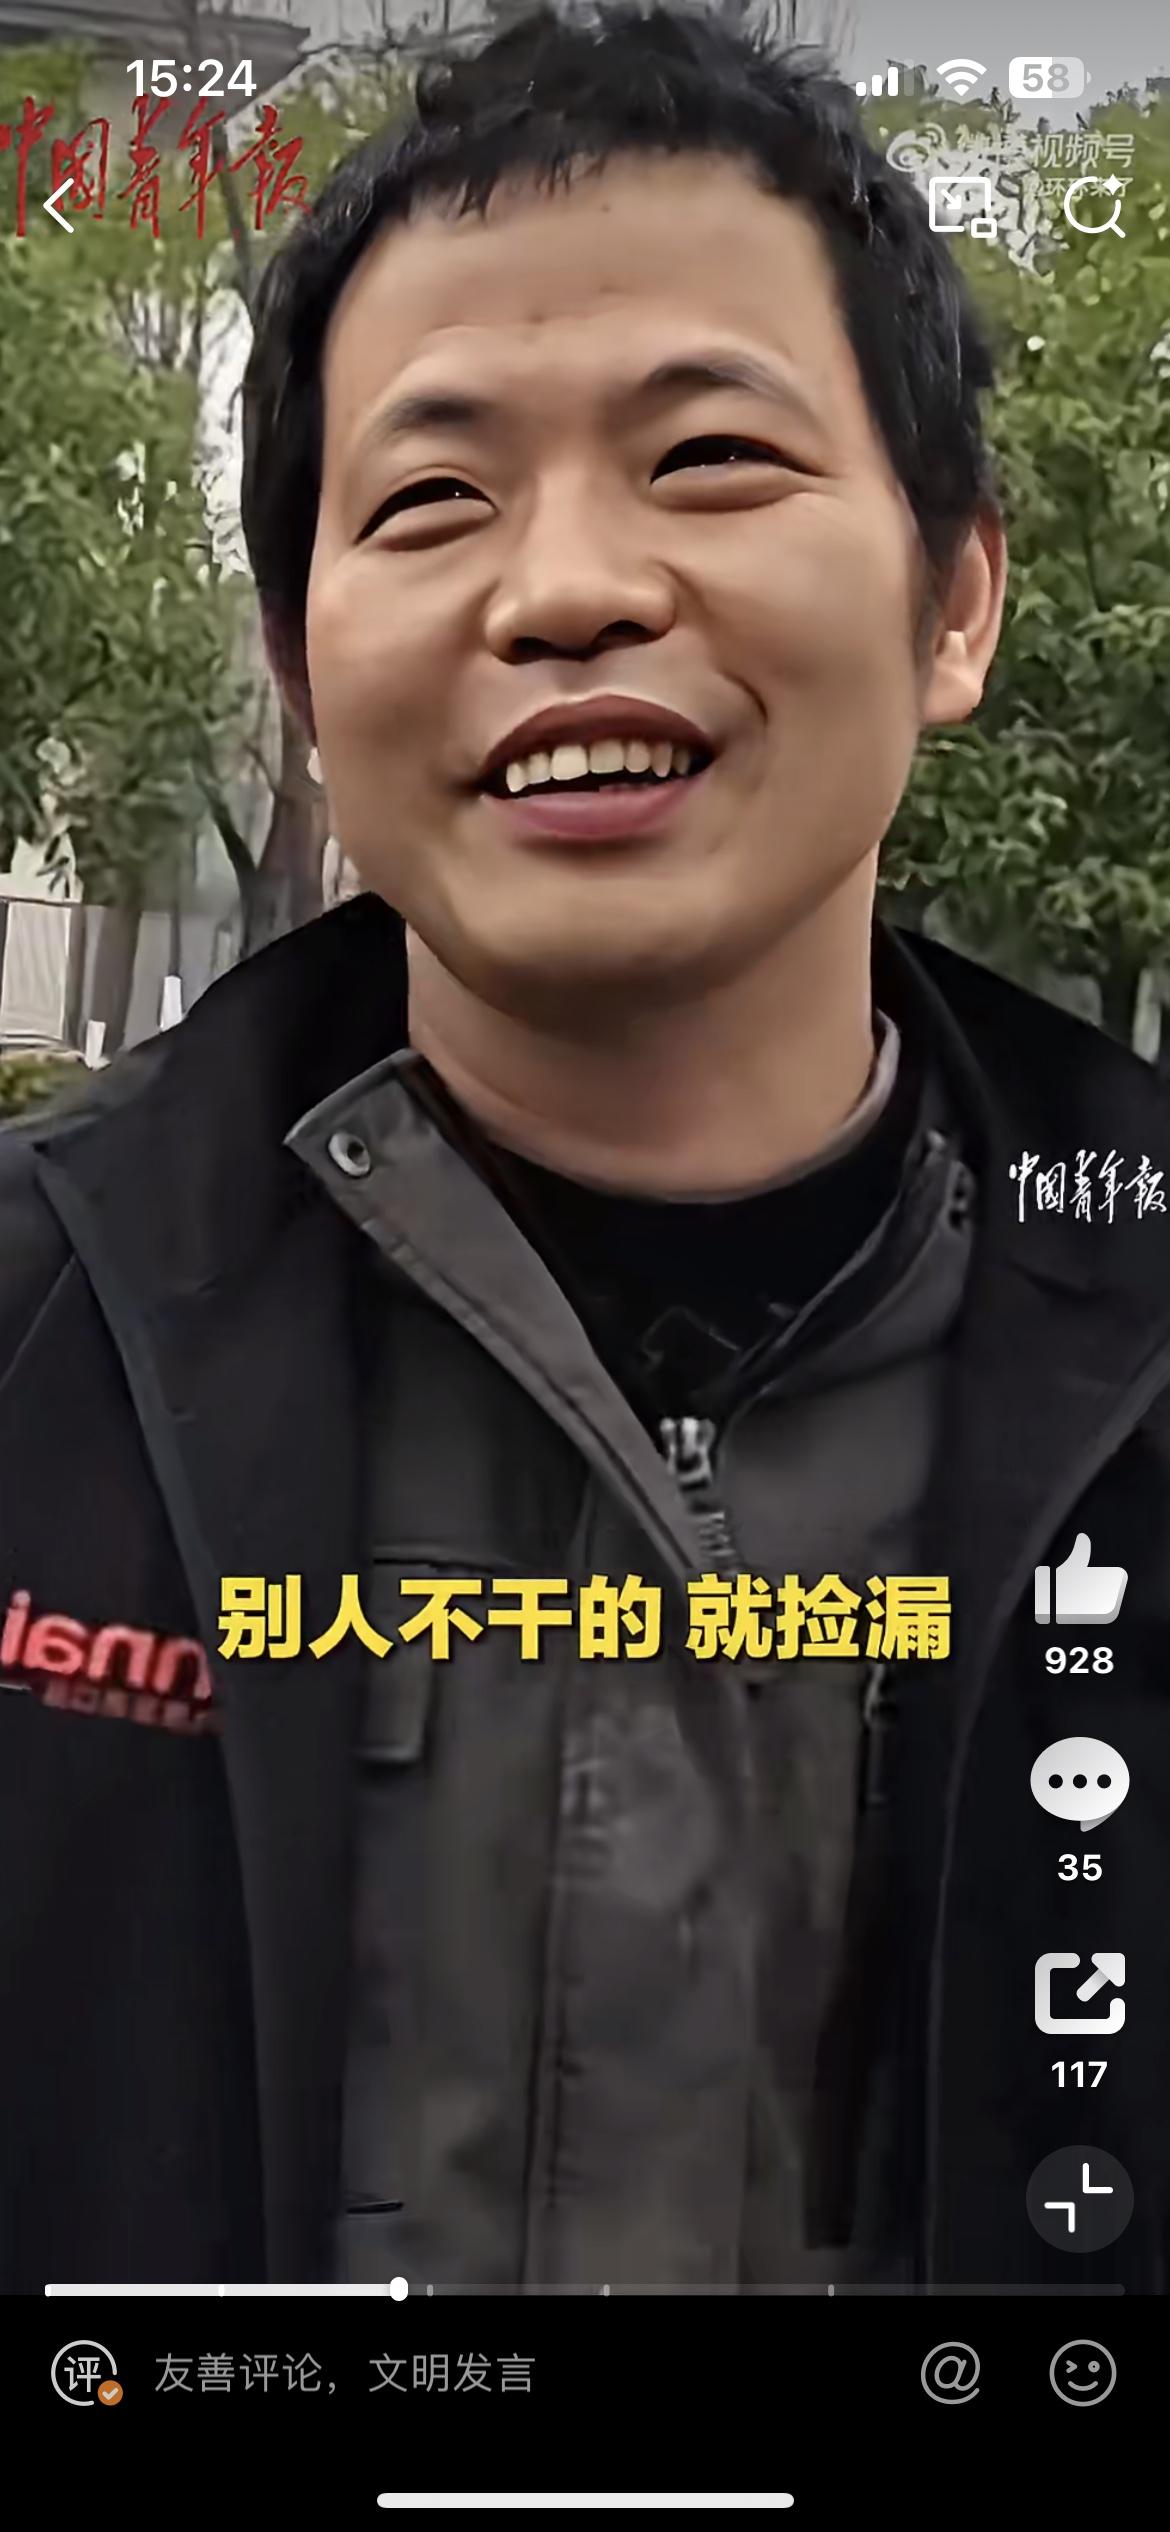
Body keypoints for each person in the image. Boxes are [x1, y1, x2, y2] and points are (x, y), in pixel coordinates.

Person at [3, 3, 1169, 2295]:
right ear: (304, 678)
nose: (563, 591)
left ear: (956, 595)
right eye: (431, 500)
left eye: (710, 458)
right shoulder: (40, 1338)